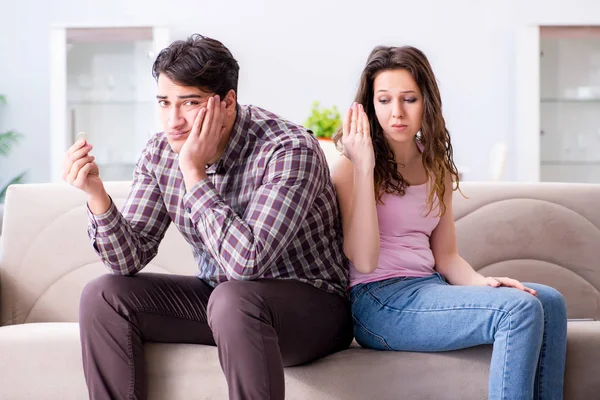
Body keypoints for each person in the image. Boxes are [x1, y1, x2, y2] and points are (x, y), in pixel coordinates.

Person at [63, 34, 353, 400]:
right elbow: (127, 260)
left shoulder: (289, 150)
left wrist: (194, 174)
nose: (174, 120)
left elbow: (246, 263)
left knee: (235, 298)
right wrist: (97, 196)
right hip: (223, 302)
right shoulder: (159, 153)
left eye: (190, 103)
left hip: (313, 308)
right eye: (164, 103)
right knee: (103, 294)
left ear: (228, 102)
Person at [331, 45, 567, 400]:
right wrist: (364, 165)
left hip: (430, 285)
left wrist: (482, 283)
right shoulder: (351, 167)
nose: (396, 112)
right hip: (378, 302)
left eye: (408, 99)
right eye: (384, 100)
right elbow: (363, 261)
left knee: (549, 301)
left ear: (426, 101)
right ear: (368, 106)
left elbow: (447, 257)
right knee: (519, 311)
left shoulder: (434, 165)